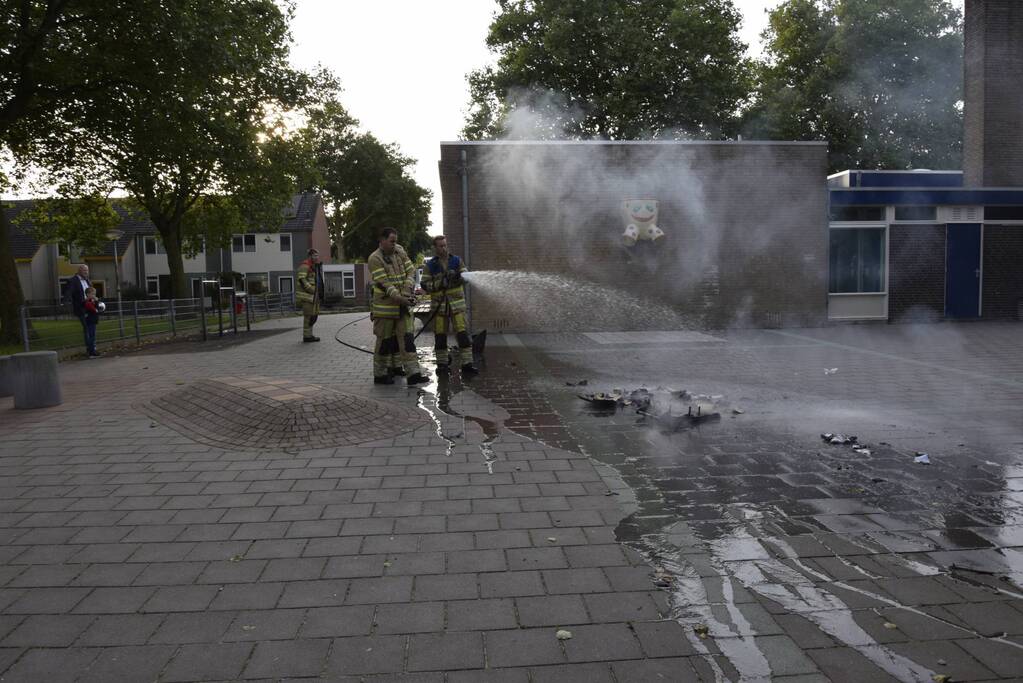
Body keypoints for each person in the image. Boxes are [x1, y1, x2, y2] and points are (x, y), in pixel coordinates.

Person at [367, 227, 428, 385]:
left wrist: (407, 291)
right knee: (385, 342)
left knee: (407, 340)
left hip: (402, 306)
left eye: (396, 241)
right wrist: (403, 299)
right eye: (392, 241)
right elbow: (385, 284)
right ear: (382, 240)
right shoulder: (374, 258)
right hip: (385, 309)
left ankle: (413, 374)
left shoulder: (399, 251)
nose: (395, 244)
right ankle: (380, 375)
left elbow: (411, 271)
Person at [422, 235, 478, 376]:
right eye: (440, 246)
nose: (444, 248)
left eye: (445, 245)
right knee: (440, 338)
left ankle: (467, 365)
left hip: (457, 306)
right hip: (439, 308)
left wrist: (458, 276)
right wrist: (440, 283)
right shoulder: (430, 265)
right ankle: (442, 365)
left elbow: (466, 276)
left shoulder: (456, 261)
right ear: (435, 248)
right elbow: (425, 285)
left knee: (463, 335)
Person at [66, 264, 97, 357]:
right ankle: (91, 350)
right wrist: (66, 302)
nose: (86, 273)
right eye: (84, 271)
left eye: (87, 271)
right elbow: (68, 292)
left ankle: (92, 349)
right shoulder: (72, 281)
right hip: (81, 308)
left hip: (90, 307)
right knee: (87, 328)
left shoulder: (88, 280)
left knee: (92, 329)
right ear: (79, 271)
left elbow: (91, 292)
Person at [296, 248, 323, 342]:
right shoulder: (305, 266)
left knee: (312, 316)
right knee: (308, 316)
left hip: (313, 296)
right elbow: (302, 279)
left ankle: (309, 335)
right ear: (310, 256)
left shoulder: (313, 266)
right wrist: (311, 290)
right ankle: (307, 336)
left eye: (317, 255)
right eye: (315, 255)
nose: (317, 257)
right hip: (307, 297)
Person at [82, 287, 102, 358]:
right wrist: (96, 302)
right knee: (91, 336)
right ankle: (91, 352)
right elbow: (95, 310)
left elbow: (97, 308)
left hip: (93, 320)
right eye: (92, 294)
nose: (94, 295)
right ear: (88, 294)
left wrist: (96, 301)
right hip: (90, 320)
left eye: (94, 294)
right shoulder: (87, 302)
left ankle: (92, 351)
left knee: (92, 336)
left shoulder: (90, 301)